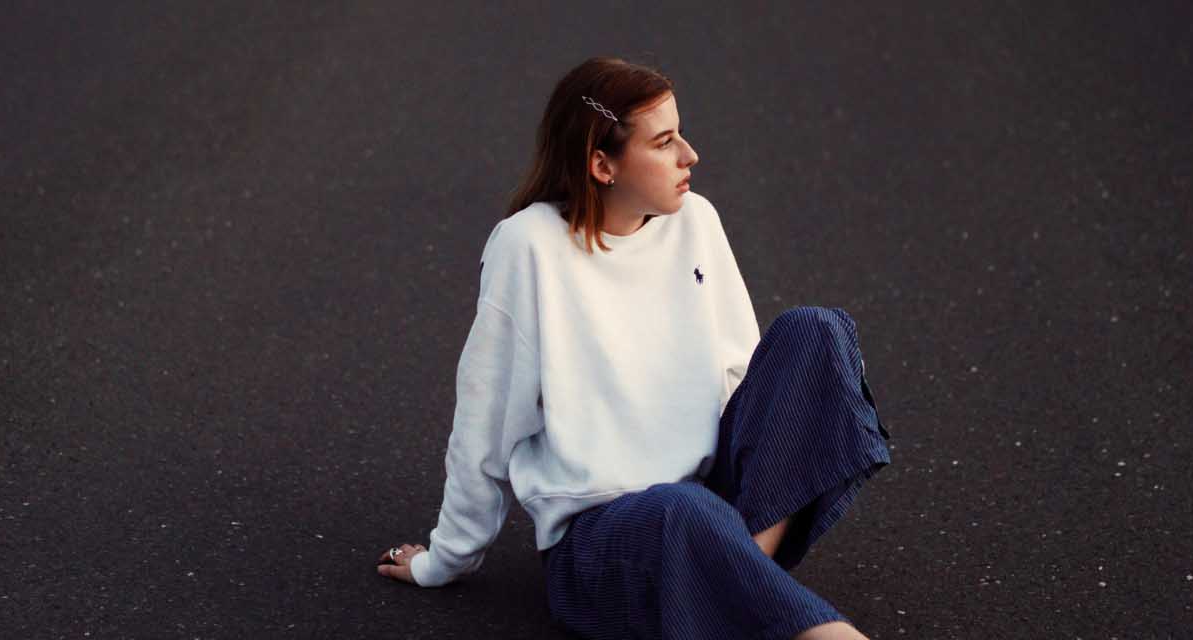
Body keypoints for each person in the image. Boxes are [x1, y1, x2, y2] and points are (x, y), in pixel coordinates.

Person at [375, 56, 892, 640]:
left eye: (680, 135)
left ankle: (736, 576)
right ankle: (779, 610)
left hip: (707, 513)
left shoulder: (696, 220)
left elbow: (742, 379)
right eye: (664, 143)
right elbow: (485, 422)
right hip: (606, 542)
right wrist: (445, 558)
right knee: (682, 509)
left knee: (816, 331)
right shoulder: (528, 247)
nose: (690, 155)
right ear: (602, 164)